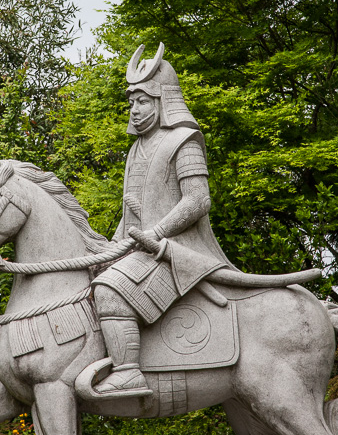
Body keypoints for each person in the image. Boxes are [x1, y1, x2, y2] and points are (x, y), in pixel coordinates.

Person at [92, 43, 235, 397]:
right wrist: (110, 249)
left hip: (176, 253)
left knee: (109, 291)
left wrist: (156, 232)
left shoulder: (184, 141)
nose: (134, 109)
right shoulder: (135, 150)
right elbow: (131, 215)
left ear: (163, 99)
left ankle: (128, 372)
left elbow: (198, 200)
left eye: (142, 100)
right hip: (140, 250)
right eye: (131, 102)